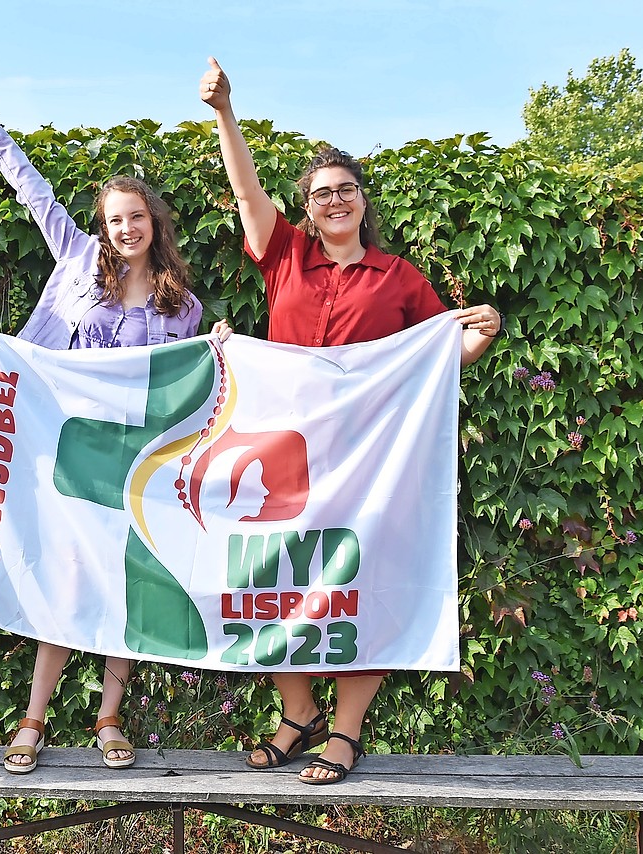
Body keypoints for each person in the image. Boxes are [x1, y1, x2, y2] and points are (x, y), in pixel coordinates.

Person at [199, 57, 501, 785]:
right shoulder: (285, 257)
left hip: (370, 462)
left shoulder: (402, 279)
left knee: (361, 587)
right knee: (268, 586)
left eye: (347, 190)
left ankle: (344, 733)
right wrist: (224, 113)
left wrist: (479, 340)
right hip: (285, 454)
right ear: (306, 209)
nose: (336, 201)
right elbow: (245, 190)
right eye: (322, 193)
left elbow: (434, 360)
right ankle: (297, 713)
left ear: (364, 201)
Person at [0, 79, 230, 774]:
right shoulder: (79, 264)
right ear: (103, 228)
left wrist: (219, 347)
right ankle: (35, 716)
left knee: (129, 587)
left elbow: (189, 386)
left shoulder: (184, 305)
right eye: (114, 220)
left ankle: (108, 716)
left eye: (136, 218)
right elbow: (36, 197)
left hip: (143, 462)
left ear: (153, 224)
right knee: (70, 579)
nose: (126, 229)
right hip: (78, 454)